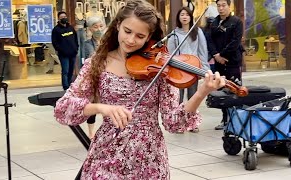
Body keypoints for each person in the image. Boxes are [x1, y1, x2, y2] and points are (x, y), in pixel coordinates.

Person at [54, 0, 225, 179]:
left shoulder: (159, 67)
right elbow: (63, 108)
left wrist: (201, 92)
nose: (130, 40)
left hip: (148, 158)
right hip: (107, 153)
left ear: (149, 36)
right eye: (127, 31)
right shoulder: (97, 63)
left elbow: (173, 122)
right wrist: (101, 108)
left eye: (139, 36)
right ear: (118, 25)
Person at [167, 7, 210, 133]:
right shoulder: (174, 34)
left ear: (191, 17)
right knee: (178, 98)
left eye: (187, 14)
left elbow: (202, 51)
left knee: (193, 97)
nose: (184, 17)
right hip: (178, 70)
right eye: (182, 15)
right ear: (178, 18)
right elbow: (170, 55)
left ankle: (192, 123)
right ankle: (179, 124)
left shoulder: (197, 32)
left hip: (193, 69)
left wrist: (204, 69)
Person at [208, 0, 243, 130]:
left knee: (235, 89)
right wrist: (216, 55)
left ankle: (236, 119)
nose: (221, 8)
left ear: (229, 6)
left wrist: (222, 55)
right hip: (218, 62)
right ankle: (225, 119)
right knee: (221, 90)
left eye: (223, 5)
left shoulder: (236, 22)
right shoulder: (214, 23)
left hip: (232, 61)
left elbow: (236, 41)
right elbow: (209, 40)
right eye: (218, 5)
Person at [83, 16, 105, 139]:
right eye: (95, 27)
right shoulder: (87, 44)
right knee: (93, 103)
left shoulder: (109, 41)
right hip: (95, 77)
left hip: (108, 75)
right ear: (90, 29)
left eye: (100, 26)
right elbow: (92, 57)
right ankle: (91, 132)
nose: (98, 29)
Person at [51, 11, 79, 90]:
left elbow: (75, 39)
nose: (64, 19)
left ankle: (70, 84)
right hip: (64, 55)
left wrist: (76, 48)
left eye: (65, 17)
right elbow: (55, 42)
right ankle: (65, 86)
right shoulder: (56, 30)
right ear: (58, 19)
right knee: (65, 71)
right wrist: (61, 50)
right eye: (62, 18)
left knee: (71, 70)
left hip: (72, 53)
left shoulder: (70, 28)